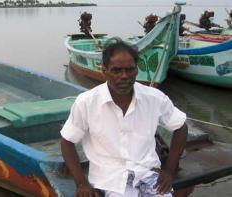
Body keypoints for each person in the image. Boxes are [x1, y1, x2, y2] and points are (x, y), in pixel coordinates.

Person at [60, 41, 188, 197]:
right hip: (110, 180)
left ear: (136, 70)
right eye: (116, 70)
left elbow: (181, 127)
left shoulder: (154, 98)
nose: (124, 76)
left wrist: (169, 170)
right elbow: (67, 141)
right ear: (104, 71)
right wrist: (81, 183)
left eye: (129, 70)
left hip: (148, 174)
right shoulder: (86, 102)